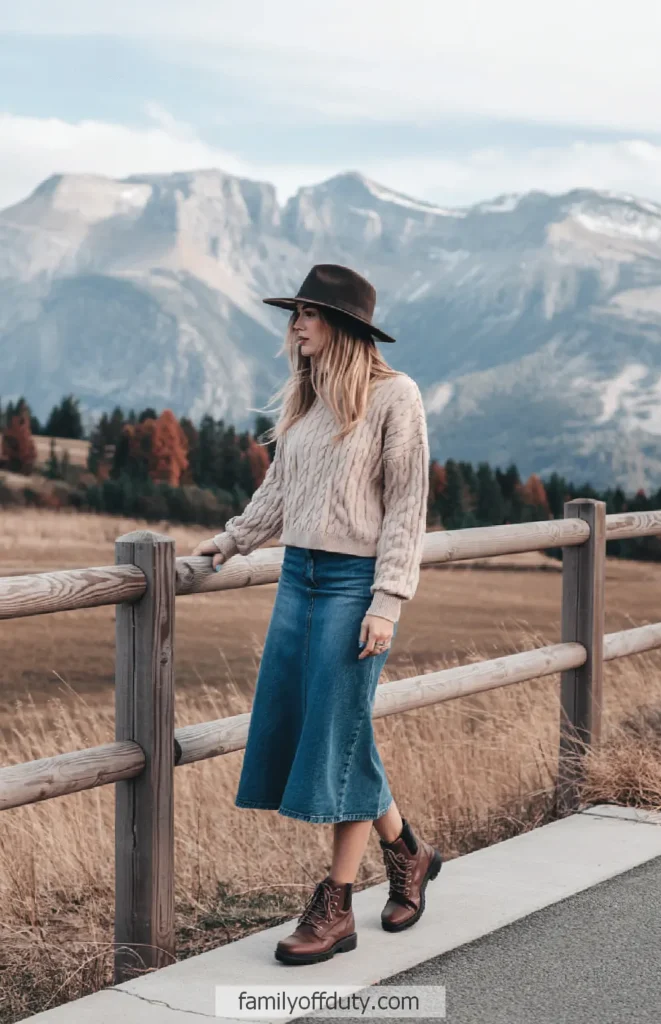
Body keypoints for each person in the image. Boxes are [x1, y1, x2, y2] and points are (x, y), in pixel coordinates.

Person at [192, 264, 442, 966]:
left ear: (344, 325)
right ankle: (410, 855)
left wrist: (386, 601)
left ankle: (335, 906)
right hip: (296, 581)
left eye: (308, 312)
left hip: (352, 585)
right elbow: (279, 490)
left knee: (336, 730)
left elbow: (405, 506)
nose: (295, 324)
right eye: (293, 312)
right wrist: (233, 537)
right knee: (333, 729)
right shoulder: (305, 400)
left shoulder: (397, 397)